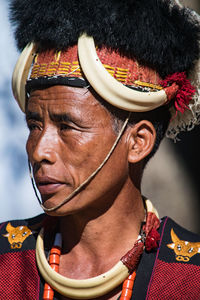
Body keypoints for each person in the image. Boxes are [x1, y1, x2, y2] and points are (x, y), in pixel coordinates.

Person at [0, 0, 200, 299]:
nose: (40, 150)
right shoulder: (6, 261)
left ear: (138, 141)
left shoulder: (189, 277)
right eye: (34, 126)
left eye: (67, 126)